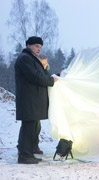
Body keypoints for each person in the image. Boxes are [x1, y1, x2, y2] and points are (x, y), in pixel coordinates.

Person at [15, 36, 58, 164]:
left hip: (33, 100)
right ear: (28, 45)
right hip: (29, 99)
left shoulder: (32, 59)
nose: (39, 49)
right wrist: (51, 81)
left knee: (32, 126)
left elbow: (42, 74)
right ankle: (24, 156)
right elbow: (35, 77)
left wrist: (50, 73)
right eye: (36, 46)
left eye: (40, 47)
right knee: (28, 127)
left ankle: (28, 153)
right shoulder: (24, 59)